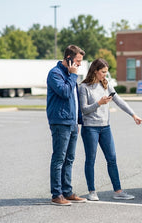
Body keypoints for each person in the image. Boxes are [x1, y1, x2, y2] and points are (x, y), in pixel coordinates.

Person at [79, 58, 142, 201]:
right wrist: (99, 103)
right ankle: (92, 192)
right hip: (90, 128)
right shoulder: (83, 87)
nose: (105, 75)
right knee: (90, 160)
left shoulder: (106, 85)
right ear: (95, 71)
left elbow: (118, 100)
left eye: (106, 72)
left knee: (112, 159)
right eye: (103, 72)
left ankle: (118, 191)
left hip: (105, 128)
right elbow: (84, 110)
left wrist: (133, 114)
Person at [46, 45, 87, 206]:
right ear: (69, 58)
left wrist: (77, 121)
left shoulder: (70, 74)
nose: (79, 65)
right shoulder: (55, 73)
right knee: (59, 159)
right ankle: (57, 195)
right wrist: (72, 76)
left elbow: (74, 100)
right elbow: (64, 92)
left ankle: (67, 192)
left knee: (69, 159)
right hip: (60, 122)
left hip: (71, 122)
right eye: (78, 61)